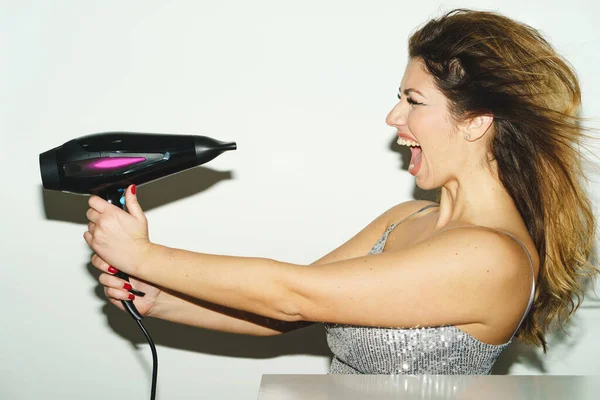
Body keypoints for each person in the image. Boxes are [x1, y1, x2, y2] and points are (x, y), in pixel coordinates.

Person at [84, 8, 599, 374]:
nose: (393, 116)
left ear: (476, 121)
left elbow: (292, 297)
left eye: (413, 100)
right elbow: (280, 317)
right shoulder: (404, 219)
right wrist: (163, 301)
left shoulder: (493, 256)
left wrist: (147, 256)